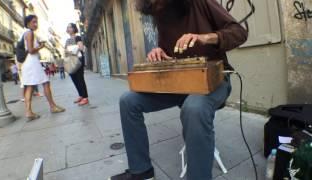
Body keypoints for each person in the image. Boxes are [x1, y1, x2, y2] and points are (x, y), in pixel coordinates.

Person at [109, 0, 248, 180]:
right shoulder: (158, 11)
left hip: (216, 79)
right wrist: (158, 51)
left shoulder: (201, 3)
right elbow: (169, 52)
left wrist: (205, 37)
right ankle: (141, 171)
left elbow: (239, 32)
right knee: (128, 101)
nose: (157, 6)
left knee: (194, 107)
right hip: (180, 83)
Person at [21, 15, 65, 121]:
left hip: (27, 63)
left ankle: (28, 112)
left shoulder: (25, 33)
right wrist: (41, 46)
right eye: (33, 22)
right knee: (45, 82)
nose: (36, 24)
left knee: (30, 87)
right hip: (32, 62)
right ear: (27, 23)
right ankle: (52, 106)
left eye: (36, 22)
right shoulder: (29, 33)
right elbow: (31, 50)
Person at [65, 23, 89, 106]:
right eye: (67, 27)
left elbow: (81, 47)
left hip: (78, 59)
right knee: (74, 78)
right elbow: (65, 51)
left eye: (70, 27)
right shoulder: (67, 40)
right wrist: (67, 52)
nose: (68, 29)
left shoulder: (77, 37)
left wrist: (71, 50)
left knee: (80, 78)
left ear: (74, 28)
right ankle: (81, 95)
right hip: (70, 60)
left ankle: (85, 97)